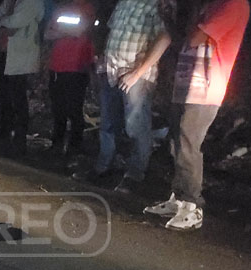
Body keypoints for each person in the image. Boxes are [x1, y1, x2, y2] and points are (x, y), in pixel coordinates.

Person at [144, 0, 249, 230]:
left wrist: (185, 17)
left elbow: (195, 38)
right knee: (176, 143)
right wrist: (170, 17)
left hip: (206, 87)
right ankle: (178, 198)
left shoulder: (235, 5)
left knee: (189, 144)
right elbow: (183, 38)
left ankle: (193, 206)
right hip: (187, 82)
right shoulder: (210, 5)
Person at [74, 0, 171, 194]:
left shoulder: (156, 4)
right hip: (111, 71)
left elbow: (164, 38)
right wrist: (102, 58)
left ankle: (134, 175)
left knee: (136, 127)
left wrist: (137, 73)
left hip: (136, 76)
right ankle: (104, 166)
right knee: (109, 123)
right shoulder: (124, 3)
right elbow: (112, 32)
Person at [44, 0, 95, 167]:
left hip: (77, 68)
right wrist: (68, 32)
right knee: (58, 109)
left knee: (74, 110)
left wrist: (60, 31)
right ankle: (56, 145)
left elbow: (81, 30)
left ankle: (74, 148)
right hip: (57, 67)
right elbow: (47, 34)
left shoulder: (87, 8)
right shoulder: (61, 9)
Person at [0, 0, 45, 154]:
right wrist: (2, 26)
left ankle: (19, 139)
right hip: (5, 51)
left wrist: (2, 23)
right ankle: (4, 133)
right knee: (4, 94)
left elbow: (17, 20)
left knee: (18, 97)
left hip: (21, 55)